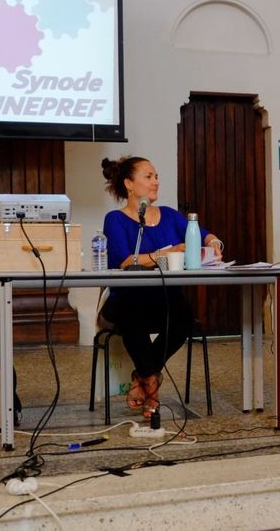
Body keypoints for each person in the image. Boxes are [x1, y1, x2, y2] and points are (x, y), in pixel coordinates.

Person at [99, 155, 223, 417]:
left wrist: (214, 243)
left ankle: (143, 378)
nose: (155, 182)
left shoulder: (170, 216)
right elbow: (123, 260)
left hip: (163, 298)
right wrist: (163, 254)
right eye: (148, 176)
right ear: (129, 184)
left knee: (184, 318)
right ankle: (152, 385)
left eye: (156, 177)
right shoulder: (115, 219)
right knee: (133, 317)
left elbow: (203, 233)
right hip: (126, 299)